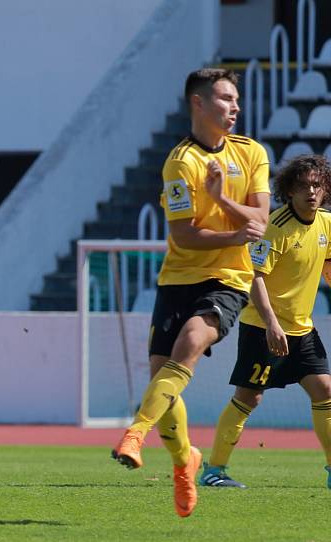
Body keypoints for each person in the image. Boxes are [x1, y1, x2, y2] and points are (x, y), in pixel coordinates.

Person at [111, 68, 271, 517]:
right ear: (197, 104)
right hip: (178, 280)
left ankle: (134, 434)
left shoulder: (252, 153)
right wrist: (233, 233)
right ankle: (186, 462)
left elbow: (259, 220)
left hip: (228, 281)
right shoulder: (180, 162)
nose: (235, 107)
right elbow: (184, 236)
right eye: (225, 98)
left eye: (236, 99)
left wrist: (221, 202)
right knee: (164, 387)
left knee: (190, 343)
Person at [199, 154, 331, 490]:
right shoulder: (276, 227)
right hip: (263, 326)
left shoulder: (326, 224)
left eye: (317, 185)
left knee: (324, 389)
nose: (311, 192)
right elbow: (254, 278)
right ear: (290, 190)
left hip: (302, 328)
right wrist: (272, 324)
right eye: (304, 186)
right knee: (249, 397)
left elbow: (327, 264)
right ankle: (214, 469)